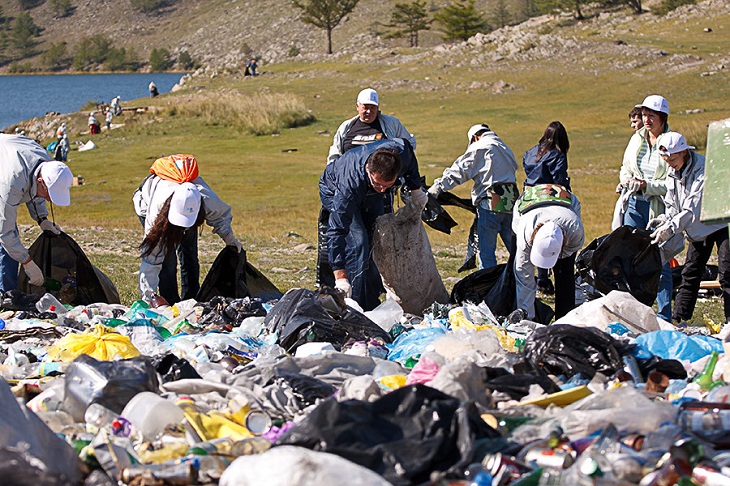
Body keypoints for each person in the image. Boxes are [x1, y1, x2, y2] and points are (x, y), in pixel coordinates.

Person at [319, 138, 427, 311]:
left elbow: (409, 156)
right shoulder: (349, 187)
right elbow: (336, 230)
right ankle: (356, 303)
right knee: (359, 241)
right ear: (369, 170)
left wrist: (416, 190)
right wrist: (340, 276)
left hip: (367, 190)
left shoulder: (401, 153)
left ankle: (373, 296)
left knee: (379, 236)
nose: (383, 190)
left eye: (388, 185)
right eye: (378, 184)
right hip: (333, 188)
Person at [134, 156, 243, 304]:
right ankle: (170, 301)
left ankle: (190, 299)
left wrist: (230, 239)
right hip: (150, 207)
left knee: (190, 255)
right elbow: (151, 259)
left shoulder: (206, 198)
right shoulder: (157, 212)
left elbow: (220, 217)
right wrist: (148, 297)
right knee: (167, 260)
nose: (182, 228)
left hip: (189, 212)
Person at [647, 132, 729, 327]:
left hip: (723, 221)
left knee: (727, 273)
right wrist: (665, 219)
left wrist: (671, 228)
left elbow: (692, 208)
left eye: (673, 158)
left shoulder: (703, 169)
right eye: (665, 159)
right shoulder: (672, 170)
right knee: (690, 271)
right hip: (699, 227)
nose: (669, 163)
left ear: (684, 152)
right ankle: (678, 318)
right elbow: (673, 203)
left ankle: (729, 321)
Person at [428, 123, 519, 269]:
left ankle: (487, 287)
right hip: (511, 204)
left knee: (486, 253)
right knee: (516, 251)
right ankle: (524, 284)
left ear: (475, 137)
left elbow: (460, 170)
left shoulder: (481, 147)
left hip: (490, 205)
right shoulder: (504, 148)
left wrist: (438, 187)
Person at [618, 94, 673, 321]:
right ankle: (635, 313)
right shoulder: (637, 138)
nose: (647, 120)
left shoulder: (671, 141)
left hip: (656, 209)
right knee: (630, 258)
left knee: (659, 260)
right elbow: (625, 166)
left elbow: (671, 182)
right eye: (644, 115)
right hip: (633, 203)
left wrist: (646, 185)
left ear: (662, 118)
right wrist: (626, 181)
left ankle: (665, 314)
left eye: (652, 115)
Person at [1, 134, 73, 292]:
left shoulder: (47, 165)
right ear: (42, 182)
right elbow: (4, 232)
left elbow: (36, 192)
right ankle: (6, 296)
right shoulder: (12, 181)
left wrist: (42, 219)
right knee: (5, 248)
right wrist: (27, 262)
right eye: (50, 194)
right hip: (4, 169)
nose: (49, 199)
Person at [513, 184, 585, 320]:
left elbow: (567, 258)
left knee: (564, 273)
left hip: (568, 203)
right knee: (521, 274)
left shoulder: (575, 231)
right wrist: (528, 319)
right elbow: (524, 278)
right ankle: (527, 315)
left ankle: (565, 321)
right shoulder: (524, 232)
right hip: (526, 207)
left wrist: (558, 259)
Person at [522, 121, 571, 294]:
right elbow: (559, 178)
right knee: (550, 235)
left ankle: (532, 278)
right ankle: (548, 274)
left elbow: (526, 166)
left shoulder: (531, 152)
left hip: (528, 196)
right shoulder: (558, 155)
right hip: (549, 196)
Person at [327, 88, 416, 165]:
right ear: (357, 106)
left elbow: (409, 144)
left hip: (384, 181)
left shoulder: (392, 123)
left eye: (373, 107)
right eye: (365, 107)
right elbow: (335, 154)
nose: (369, 111)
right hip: (351, 179)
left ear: (378, 107)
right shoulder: (346, 127)